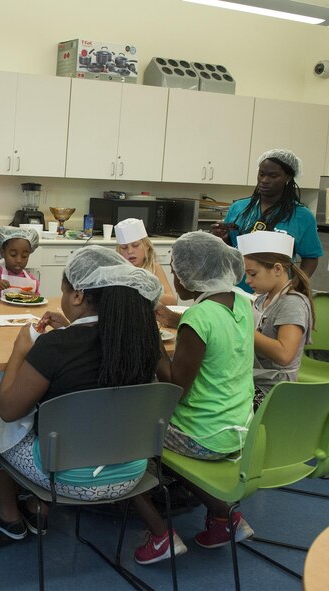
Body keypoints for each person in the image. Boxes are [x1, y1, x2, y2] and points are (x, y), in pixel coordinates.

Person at [0, 246, 163, 540]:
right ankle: (38, 508)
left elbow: (8, 410)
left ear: (77, 295)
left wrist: (19, 351)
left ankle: (9, 513)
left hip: (68, 478)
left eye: (63, 290)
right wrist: (71, 329)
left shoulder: (56, 347)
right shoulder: (144, 342)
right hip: (132, 472)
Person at [133, 231, 256, 566]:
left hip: (203, 435)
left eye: (177, 270)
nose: (175, 277)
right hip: (240, 429)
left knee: (128, 438)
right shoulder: (242, 304)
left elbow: (174, 386)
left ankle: (160, 535)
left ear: (196, 274)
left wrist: (153, 341)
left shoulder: (198, 318)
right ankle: (222, 516)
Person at [212, 148, 322, 285]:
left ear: (287, 177)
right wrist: (223, 238)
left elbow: (311, 257)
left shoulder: (302, 215)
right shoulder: (239, 207)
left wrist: (295, 285)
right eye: (261, 174)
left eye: (273, 176)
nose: (264, 180)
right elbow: (230, 248)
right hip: (237, 287)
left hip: (276, 293)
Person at [239, 231, 314, 409]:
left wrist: (242, 327)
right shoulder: (261, 299)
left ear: (278, 269)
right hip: (255, 379)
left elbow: (284, 354)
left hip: (274, 389)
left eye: (253, 274)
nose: (247, 281)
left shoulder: (291, 303)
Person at [113, 218, 177, 306]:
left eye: (135, 245)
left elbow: (172, 301)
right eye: (124, 248)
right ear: (119, 251)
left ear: (146, 246)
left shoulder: (154, 268)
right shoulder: (116, 272)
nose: (130, 251)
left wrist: (146, 294)